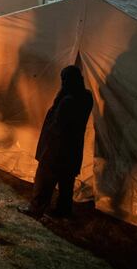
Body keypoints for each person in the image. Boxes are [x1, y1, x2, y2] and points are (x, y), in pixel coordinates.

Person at [18, 65, 93, 219]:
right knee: (66, 182)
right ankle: (63, 211)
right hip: (73, 149)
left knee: (44, 180)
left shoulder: (67, 101)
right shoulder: (86, 97)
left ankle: (36, 209)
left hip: (56, 150)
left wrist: (47, 147)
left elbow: (57, 127)